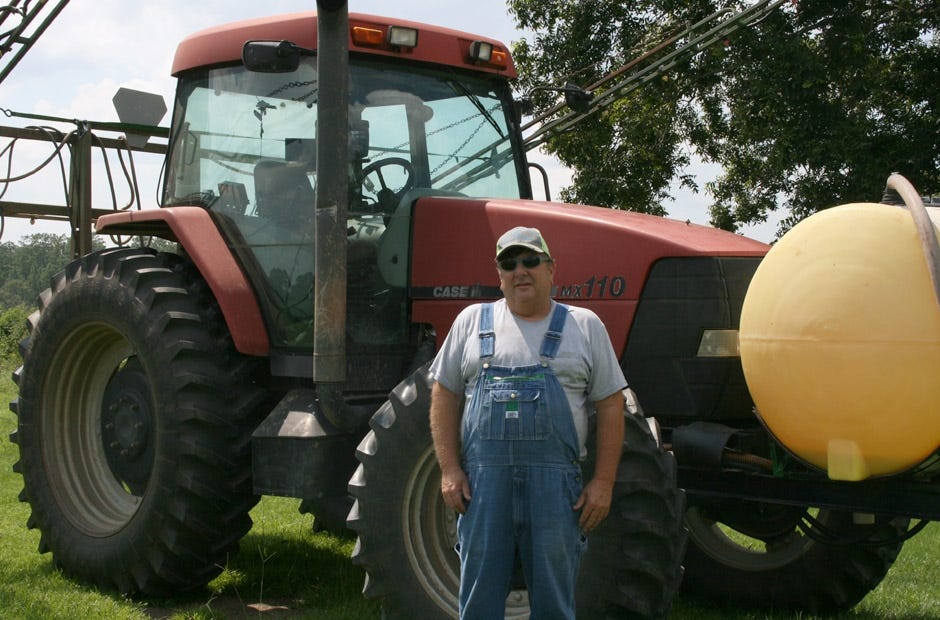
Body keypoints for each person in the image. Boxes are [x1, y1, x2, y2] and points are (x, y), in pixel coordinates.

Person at [429, 226, 627, 620]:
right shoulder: (471, 322)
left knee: (554, 601)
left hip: (556, 490)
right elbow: (443, 394)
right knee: (479, 600)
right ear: (499, 274)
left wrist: (603, 482)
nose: (520, 271)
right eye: (509, 263)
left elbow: (610, 404)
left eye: (530, 261)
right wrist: (450, 470)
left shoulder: (584, 325)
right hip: (484, 489)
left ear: (551, 268)